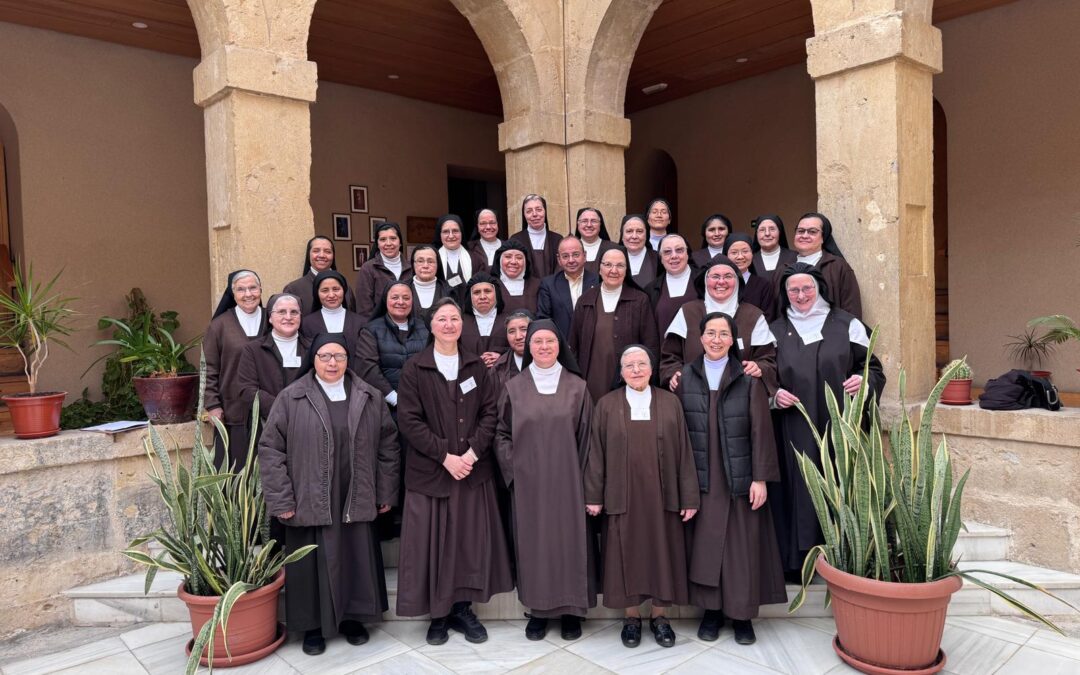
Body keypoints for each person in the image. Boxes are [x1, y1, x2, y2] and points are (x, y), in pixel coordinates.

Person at [259, 333, 399, 656]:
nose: (332, 363)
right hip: (308, 496)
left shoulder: (369, 396)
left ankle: (353, 619)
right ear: (314, 360)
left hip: (355, 492)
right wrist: (282, 499)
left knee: (355, 558)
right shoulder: (291, 397)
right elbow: (270, 449)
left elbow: (388, 447)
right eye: (325, 356)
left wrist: (385, 490)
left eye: (339, 356)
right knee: (311, 564)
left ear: (349, 360)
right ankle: (312, 628)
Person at [395, 298, 514, 645]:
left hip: (472, 471)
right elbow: (409, 420)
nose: (449, 325)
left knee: (467, 542)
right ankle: (438, 615)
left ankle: (462, 609)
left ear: (462, 326)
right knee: (434, 545)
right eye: (442, 319)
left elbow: (490, 413)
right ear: (431, 326)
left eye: (454, 319)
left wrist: (472, 453)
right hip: (431, 472)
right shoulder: (414, 368)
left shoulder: (476, 366)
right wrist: (445, 456)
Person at [678, 313, 787, 646]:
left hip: (739, 477)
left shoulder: (748, 379)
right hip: (702, 476)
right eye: (710, 333)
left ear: (733, 341)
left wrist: (760, 478)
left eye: (723, 334)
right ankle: (711, 613)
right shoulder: (685, 379)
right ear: (700, 338)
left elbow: (760, 431)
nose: (716, 339)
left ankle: (742, 616)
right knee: (707, 546)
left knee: (741, 548)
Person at [770, 263, 884, 577]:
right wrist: (774, 395)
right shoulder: (773, 330)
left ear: (819, 288)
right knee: (800, 489)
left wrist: (864, 382)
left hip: (840, 427)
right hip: (793, 426)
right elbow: (763, 375)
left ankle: (841, 560)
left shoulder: (847, 324)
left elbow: (871, 368)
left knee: (838, 483)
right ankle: (799, 564)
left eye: (807, 288)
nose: (801, 295)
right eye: (793, 290)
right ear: (785, 293)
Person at [585, 345, 699, 649]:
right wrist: (593, 495)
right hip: (622, 497)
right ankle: (631, 618)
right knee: (626, 555)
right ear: (621, 372)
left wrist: (689, 497)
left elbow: (685, 452)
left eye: (641, 364)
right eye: (629, 365)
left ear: (651, 368)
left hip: (663, 497)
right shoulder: (606, 405)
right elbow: (595, 453)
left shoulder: (670, 403)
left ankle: (660, 617)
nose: (636, 370)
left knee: (663, 554)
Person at [496, 319, 596, 642]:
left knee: (570, 545)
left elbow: (588, 439)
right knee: (534, 546)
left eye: (550, 341)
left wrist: (583, 483)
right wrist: (516, 472)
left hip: (570, 483)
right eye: (537, 341)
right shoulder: (513, 387)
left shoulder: (578, 387)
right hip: (529, 486)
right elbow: (501, 434)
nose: (543, 347)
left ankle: (571, 612)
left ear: (560, 346)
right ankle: (538, 611)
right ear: (528, 348)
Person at [659, 256, 777, 393]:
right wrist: (673, 373)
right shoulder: (688, 311)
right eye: (715, 276)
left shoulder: (753, 315)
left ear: (737, 281)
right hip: (693, 395)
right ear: (705, 280)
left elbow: (767, 360)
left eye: (728, 276)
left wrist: (758, 367)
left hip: (741, 396)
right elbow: (670, 356)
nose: (721, 282)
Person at [570, 247, 660, 402]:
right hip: (592, 380)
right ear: (599, 269)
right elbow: (573, 345)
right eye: (608, 265)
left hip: (630, 381)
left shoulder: (640, 300)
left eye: (620, 265)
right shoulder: (585, 300)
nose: (614, 270)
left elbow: (650, 344)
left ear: (626, 270)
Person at [205, 269, 267, 468]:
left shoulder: (273, 319)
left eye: (253, 288)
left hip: (269, 408)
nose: (248, 294)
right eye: (241, 289)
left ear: (261, 289)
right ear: (233, 294)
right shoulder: (219, 326)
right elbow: (209, 368)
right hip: (233, 410)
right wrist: (212, 405)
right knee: (236, 469)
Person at [236, 293, 310, 437]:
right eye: (281, 312)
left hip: (306, 424)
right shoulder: (253, 350)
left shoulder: (313, 349)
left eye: (294, 312)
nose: (288, 317)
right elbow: (247, 390)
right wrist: (281, 410)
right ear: (270, 317)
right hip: (267, 425)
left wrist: (300, 412)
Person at [355, 282, 430, 410]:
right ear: (385, 300)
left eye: (406, 298)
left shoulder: (424, 328)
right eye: (395, 297)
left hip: (422, 403)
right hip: (386, 406)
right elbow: (367, 368)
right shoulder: (370, 330)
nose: (401, 302)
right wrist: (394, 398)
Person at [783, 212, 862, 319]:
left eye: (812, 232)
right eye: (800, 231)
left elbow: (851, 308)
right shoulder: (783, 268)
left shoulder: (838, 267)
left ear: (823, 237)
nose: (804, 235)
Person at [536, 236, 599, 340]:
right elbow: (544, 320)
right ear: (559, 260)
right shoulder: (549, 285)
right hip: (562, 344)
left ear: (584, 256)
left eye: (576, 254)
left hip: (593, 343)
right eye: (565, 256)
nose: (571, 260)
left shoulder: (598, 282)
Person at [354, 222, 413, 322]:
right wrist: (371, 329)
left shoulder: (411, 267)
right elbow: (364, 308)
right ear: (377, 244)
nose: (388, 243)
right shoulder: (368, 269)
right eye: (383, 239)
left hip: (409, 325)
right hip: (378, 327)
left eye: (393, 238)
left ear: (400, 242)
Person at [283, 236, 357, 315]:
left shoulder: (345, 287)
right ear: (309, 255)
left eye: (327, 251)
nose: (322, 255)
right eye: (316, 251)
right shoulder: (293, 289)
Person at [644, 233, 699, 336]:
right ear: (661, 258)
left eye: (679, 250)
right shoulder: (650, 290)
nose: (674, 256)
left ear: (687, 254)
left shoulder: (704, 281)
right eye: (667, 252)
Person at [301, 270, 366, 355]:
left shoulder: (361, 323)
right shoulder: (306, 324)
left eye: (336, 289)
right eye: (325, 290)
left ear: (344, 290)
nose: (331, 295)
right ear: (317, 293)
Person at [459, 273, 510, 367]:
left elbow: (520, 349)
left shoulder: (510, 321)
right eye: (477, 292)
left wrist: (503, 357)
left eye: (487, 291)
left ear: (496, 294)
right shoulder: (459, 321)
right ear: (470, 297)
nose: (482, 297)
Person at [724, 233, 777, 320]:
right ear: (726, 255)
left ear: (752, 254)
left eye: (745, 251)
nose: (740, 257)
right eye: (734, 252)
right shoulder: (719, 284)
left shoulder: (763, 285)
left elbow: (769, 317)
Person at [509, 194, 563, 277]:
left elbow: (561, 267)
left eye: (539, 209)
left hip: (553, 284)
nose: (534, 214)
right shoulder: (515, 240)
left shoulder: (558, 239)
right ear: (524, 215)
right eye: (529, 211)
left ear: (545, 211)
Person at [435, 214, 487, 293]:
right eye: (446, 232)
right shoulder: (433, 260)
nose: (451, 236)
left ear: (461, 233)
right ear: (440, 235)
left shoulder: (476, 259)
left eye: (455, 231)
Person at [492, 239, 540, 315]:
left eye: (519, 258)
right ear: (499, 261)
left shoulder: (537, 285)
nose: (513, 262)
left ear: (526, 262)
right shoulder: (490, 285)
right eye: (508, 257)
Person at [750, 214, 796, 284]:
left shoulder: (795, 257)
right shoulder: (749, 260)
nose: (767, 233)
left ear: (779, 232)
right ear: (757, 234)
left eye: (772, 229)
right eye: (762, 230)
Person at [492, 309, 532, 387]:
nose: (518, 337)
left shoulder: (550, 362)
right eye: (512, 331)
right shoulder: (497, 368)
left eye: (524, 329)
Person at [573, 207, 618, 275]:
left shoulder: (613, 248)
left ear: (600, 224)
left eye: (594, 221)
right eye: (584, 221)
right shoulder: (569, 248)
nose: (589, 225)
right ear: (578, 224)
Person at [407, 244, 450, 315]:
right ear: (413, 264)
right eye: (420, 261)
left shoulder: (450, 291)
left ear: (438, 265)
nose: (425, 266)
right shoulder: (401, 289)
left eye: (430, 261)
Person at [619, 214, 659, 289]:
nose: (634, 236)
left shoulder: (658, 259)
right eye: (629, 231)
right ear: (622, 236)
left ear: (646, 235)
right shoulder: (613, 258)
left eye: (639, 231)